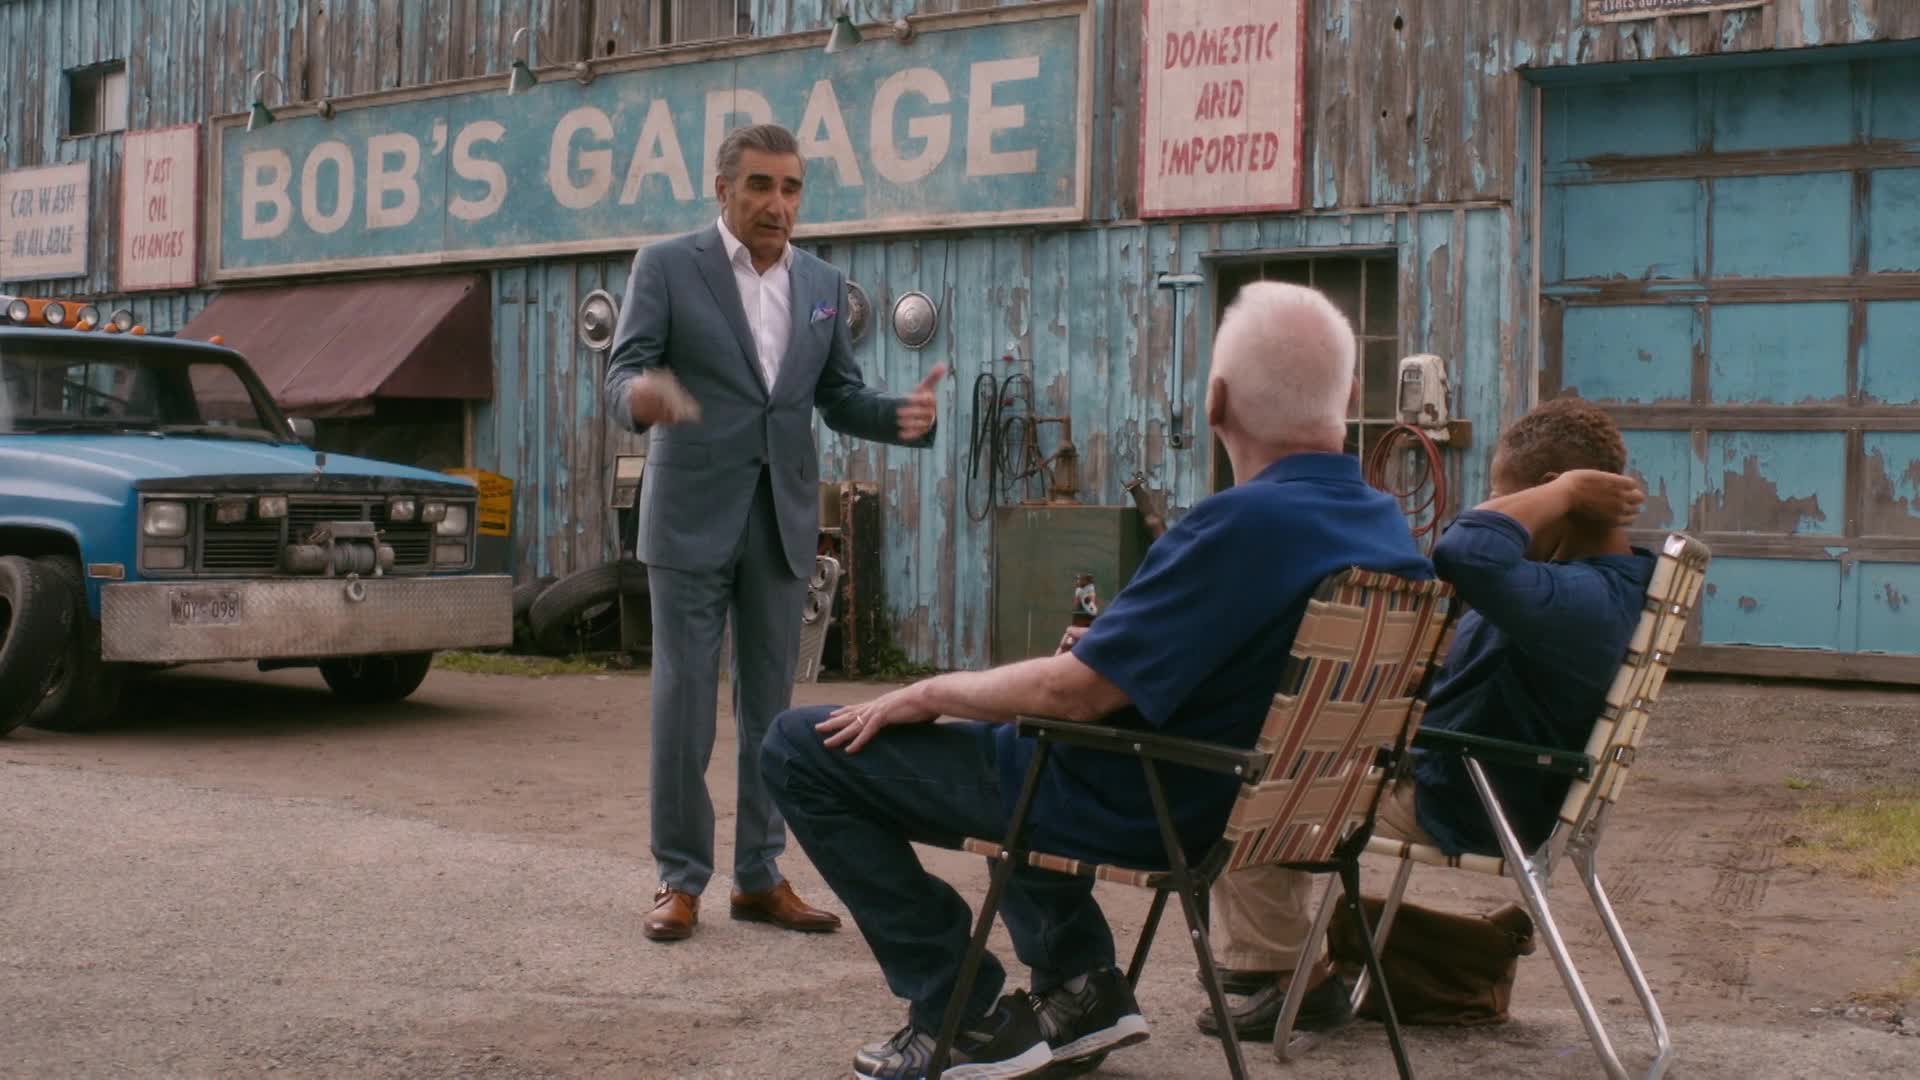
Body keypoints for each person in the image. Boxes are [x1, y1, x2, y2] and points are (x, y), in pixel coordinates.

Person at [760, 281, 1434, 1080]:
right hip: (1268, 808)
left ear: (1216, 401)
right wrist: (1099, 658)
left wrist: (928, 689)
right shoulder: (1383, 526)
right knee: (1017, 729)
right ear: (1349, 398)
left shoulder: (1241, 523)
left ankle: (960, 1011)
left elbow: (1071, 695)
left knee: (801, 747)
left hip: (1155, 805)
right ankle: (1081, 990)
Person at [1197, 395, 1649, 1042]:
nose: (1493, 510)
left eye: (1503, 497)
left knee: (1243, 784)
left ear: (1557, 495)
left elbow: (1465, 551)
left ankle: (1277, 980)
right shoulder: (1593, 584)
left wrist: (1563, 493)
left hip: (1466, 799)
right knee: (1288, 737)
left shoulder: (1576, 600)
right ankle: (1286, 969)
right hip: (1482, 782)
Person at [603, 123, 945, 944]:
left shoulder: (821, 283)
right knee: (684, 704)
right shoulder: (667, 266)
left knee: (772, 712)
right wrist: (639, 398)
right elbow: (622, 372)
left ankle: (759, 875)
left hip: (782, 519)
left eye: (791, 188)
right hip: (689, 515)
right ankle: (679, 877)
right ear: (723, 189)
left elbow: (838, 395)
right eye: (760, 185)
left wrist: (901, 417)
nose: (777, 204)